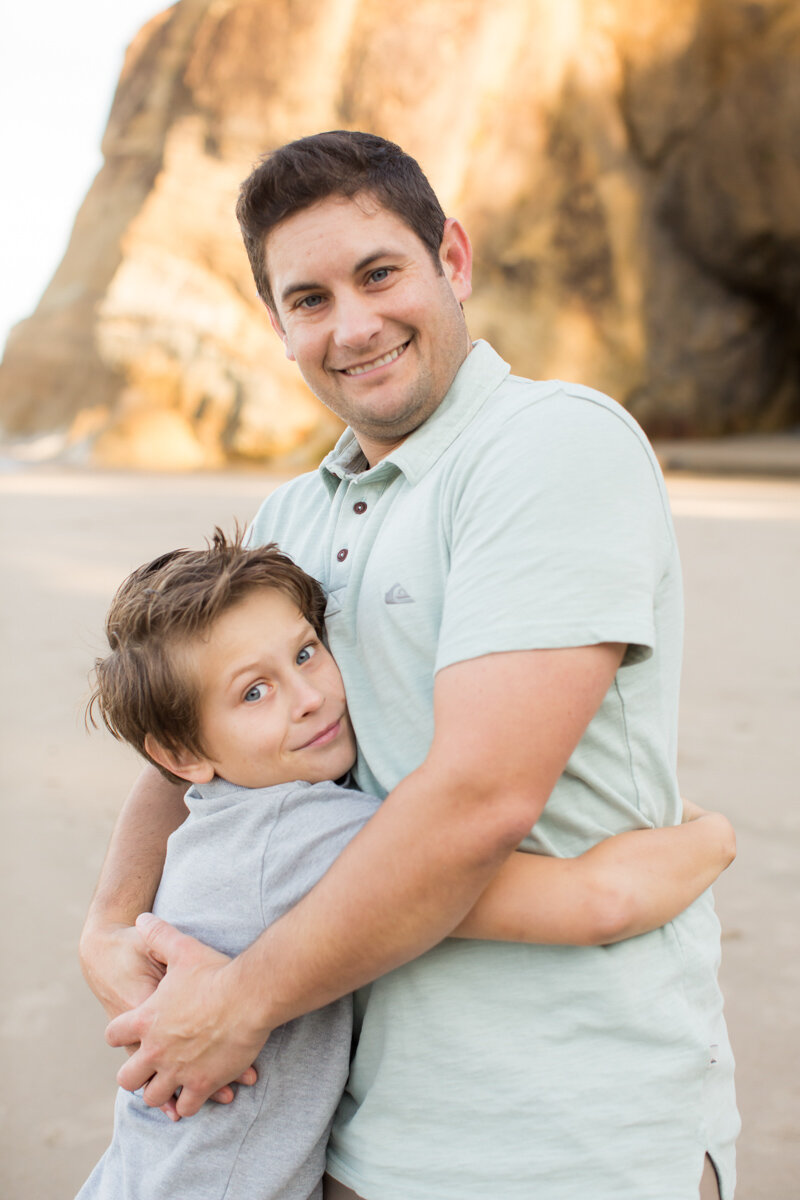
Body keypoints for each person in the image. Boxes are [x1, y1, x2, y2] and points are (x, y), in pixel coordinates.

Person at [80, 131, 739, 1199]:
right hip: (347, 1133)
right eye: (309, 300)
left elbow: (478, 799)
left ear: (454, 261)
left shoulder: (546, 445)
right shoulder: (292, 512)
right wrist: (110, 922)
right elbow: (189, 744)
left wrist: (240, 1002)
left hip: (568, 1130)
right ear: (278, 326)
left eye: (378, 274)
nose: (353, 326)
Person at [78, 532, 732, 1200]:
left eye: (307, 652)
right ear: (184, 755)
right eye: (254, 693)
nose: (307, 696)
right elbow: (600, 901)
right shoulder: (302, 837)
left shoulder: (215, 817)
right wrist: (713, 836)